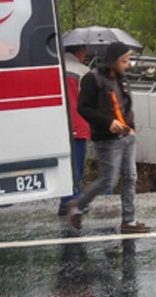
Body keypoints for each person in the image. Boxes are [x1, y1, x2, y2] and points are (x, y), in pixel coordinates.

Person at [68, 42, 151, 234]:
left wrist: (131, 128)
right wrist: (107, 122)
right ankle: (78, 205)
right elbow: (83, 108)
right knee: (108, 180)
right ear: (113, 60)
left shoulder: (121, 78)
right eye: (124, 61)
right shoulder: (92, 78)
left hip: (126, 134)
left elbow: (126, 105)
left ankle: (129, 221)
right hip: (106, 137)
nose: (127, 65)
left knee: (130, 177)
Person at [58, 45, 92, 217]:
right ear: (81, 52)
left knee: (63, 164)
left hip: (57, 125)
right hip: (77, 125)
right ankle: (72, 201)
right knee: (76, 164)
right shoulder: (83, 71)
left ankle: (65, 200)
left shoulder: (55, 67)